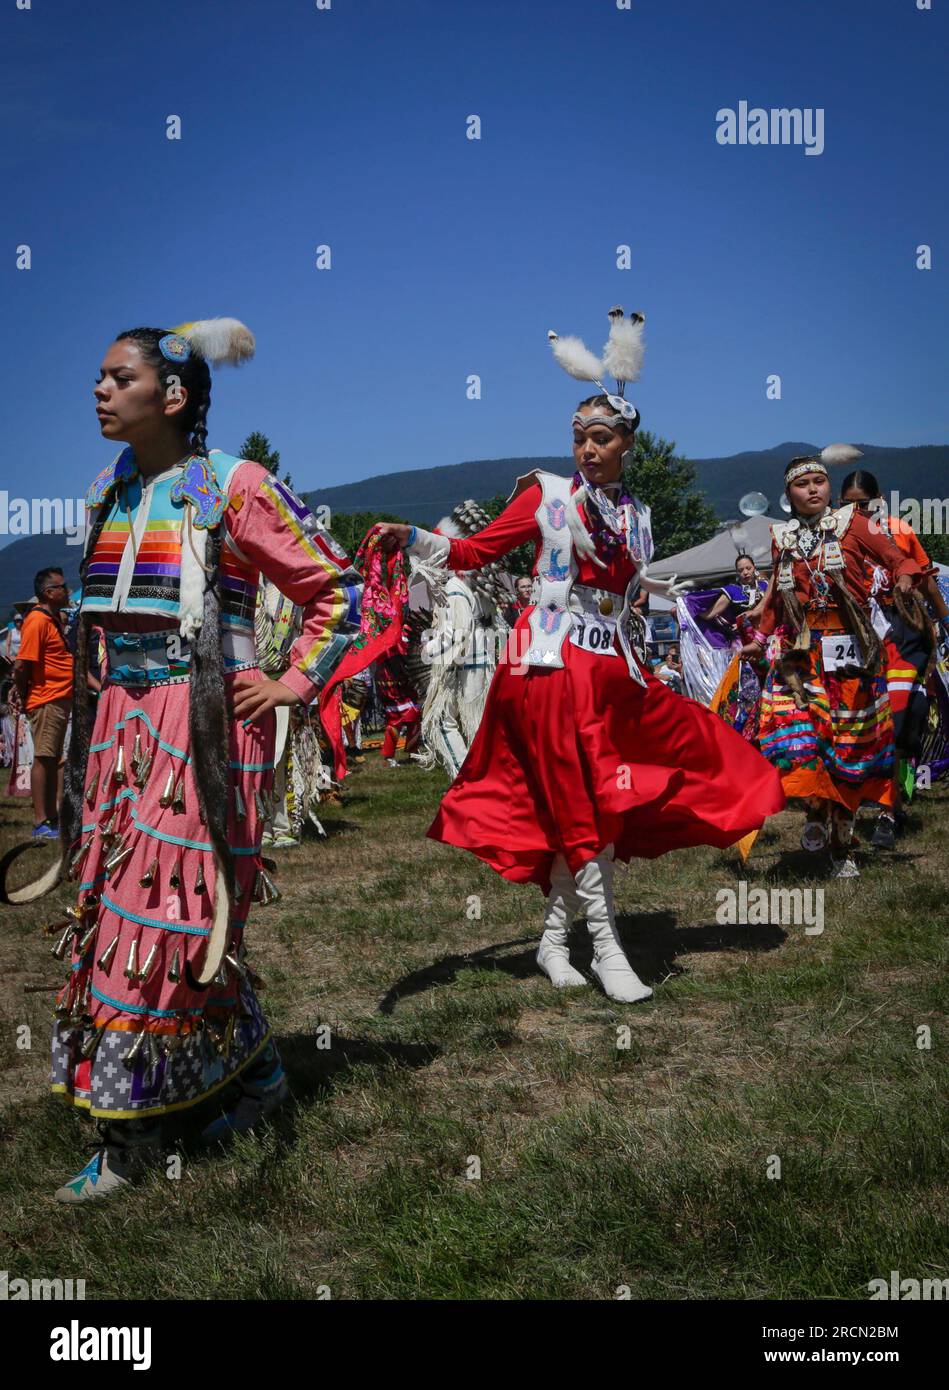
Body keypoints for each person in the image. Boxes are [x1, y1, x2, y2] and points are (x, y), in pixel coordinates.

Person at [11, 317, 360, 1202]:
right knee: (131, 909)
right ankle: (261, 1078)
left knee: (159, 916)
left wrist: (288, 683)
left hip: (203, 726)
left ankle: (131, 1136)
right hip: (121, 732)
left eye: (116, 376)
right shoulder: (112, 486)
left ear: (172, 395)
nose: (98, 389)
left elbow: (335, 590)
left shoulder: (235, 486)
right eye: (96, 375)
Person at [376, 306, 785, 1003]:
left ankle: (550, 943)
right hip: (548, 664)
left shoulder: (639, 515)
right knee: (586, 800)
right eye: (578, 437)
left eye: (600, 438)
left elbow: (633, 593)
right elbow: (477, 552)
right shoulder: (549, 495)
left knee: (628, 787)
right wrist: (410, 536)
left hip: (612, 667)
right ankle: (606, 948)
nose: (587, 449)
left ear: (628, 441)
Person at [747, 449, 922, 877]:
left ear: (829, 486)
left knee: (849, 748)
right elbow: (777, 595)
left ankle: (843, 843)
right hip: (804, 654)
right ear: (788, 493)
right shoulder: (782, 537)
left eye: (819, 482)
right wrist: (759, 634)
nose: (813, 490)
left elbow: (901, 558)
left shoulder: (854, 524)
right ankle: (813, 812)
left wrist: (901, 577)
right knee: (805, 739)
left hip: (851, 655)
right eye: (802, 485)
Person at [839, 469, 948, 847]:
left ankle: (890, 811)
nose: (857, 510)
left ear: (879, 500)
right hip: (856, 634)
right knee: (861, 722)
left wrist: (945, 620)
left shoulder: (898, 530)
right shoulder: (832, 536)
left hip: (903, 628)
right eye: (849, 504)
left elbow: (926, 577)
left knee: (900, 719)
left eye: (863, 504)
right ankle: (855, 803)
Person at [13, 568, 75, 838]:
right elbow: (21, 665)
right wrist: (22, 693)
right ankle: (41, 820)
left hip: (57, 697)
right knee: (44, 757)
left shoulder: (51, 620)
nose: (67, 590)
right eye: (62, 586)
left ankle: (51, 816)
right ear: (49, 593)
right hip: (46, 698)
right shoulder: (37, 621)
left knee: (52, 759)